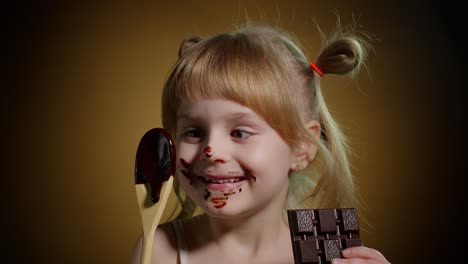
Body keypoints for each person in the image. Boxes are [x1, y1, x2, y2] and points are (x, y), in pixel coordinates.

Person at [131, 20, 390, 264]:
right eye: (194, 132)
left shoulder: (331, 252)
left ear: (302, 147)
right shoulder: (160, 250)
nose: (211, 151)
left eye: (240, 132)